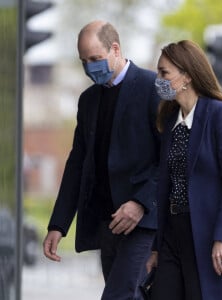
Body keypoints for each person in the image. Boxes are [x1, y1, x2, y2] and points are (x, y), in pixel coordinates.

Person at [43, 20, 160, 300]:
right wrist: (58, 225)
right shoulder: (88, 100)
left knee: (118, 296)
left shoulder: (153, 87)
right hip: (107, 224)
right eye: (84, 61)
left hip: (143, 223)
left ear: (115, 49)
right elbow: (77, 164)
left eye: (95, 59)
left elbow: (172, 156)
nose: (89, 67)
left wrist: (141, 202)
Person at [146, 40, 222, 300]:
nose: (158, 80)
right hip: (172, 236)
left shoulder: (221, 115)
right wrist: (156, 247)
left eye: (164, 73)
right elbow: (165, 187)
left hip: (210, 234)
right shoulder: (169, 122)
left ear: (187, 75)